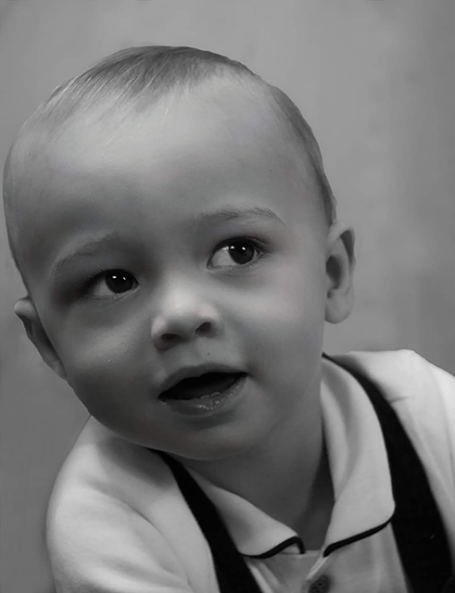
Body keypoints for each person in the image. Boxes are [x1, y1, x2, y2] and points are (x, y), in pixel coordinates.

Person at [3, 46, 454, 593]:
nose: (181, 316)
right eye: (114, 281)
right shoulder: (109, 527)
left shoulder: (428, 414)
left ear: (330, 276)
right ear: (49, 343)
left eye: (238, 251)